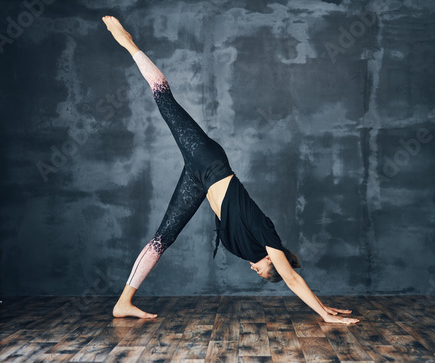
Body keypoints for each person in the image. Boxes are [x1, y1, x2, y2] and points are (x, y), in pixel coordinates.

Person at [102, 16, 359, 325]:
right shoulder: (267, 236)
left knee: (163, 238)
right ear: (271, 259)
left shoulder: (248, 248)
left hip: (199, 180)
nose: (256, 271)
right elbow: (292, 279)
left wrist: (324, 306)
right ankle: (129, 43)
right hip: (210, 161)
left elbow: (287, 275)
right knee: (166, 101)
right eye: (264, 271)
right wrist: (323, 313)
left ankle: (123, 302)